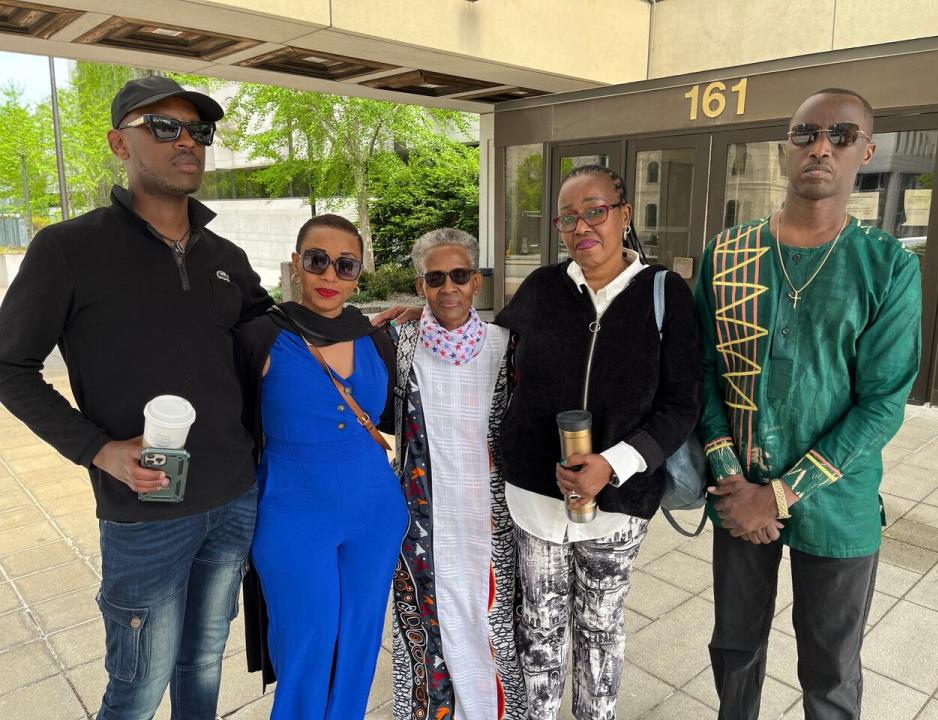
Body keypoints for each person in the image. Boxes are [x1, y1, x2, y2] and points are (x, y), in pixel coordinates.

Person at [378, 165, 703, 719]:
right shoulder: (542, 288)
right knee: (538, 632)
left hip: (617, 504)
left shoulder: (663, 293)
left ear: (624, 215)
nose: (582, 227)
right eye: (568, 217)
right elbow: (485, 341)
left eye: (595, 211)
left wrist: (615, 463)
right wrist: (424, 316)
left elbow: (681, 404)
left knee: (600, 632)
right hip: (533, 502)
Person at [0, 76, 271, 719]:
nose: (189, 143)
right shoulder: (68, 250)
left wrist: (360, 329)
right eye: (166, 127)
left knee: (203, 666)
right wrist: (98, 451)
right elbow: (9, 366)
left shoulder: (224, 255)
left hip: (233, 498)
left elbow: (275, 336)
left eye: (199, 131)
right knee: (138, 686)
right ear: (119, 143)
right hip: (145, 512)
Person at [696, 88, 922, 720]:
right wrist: (731, 477)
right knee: (735, 647)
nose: (822, 146)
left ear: (867, 152)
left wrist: (782, 492)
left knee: (829, 666)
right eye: (807, 133)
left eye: (842, 136)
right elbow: (702, 374)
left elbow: (882, 404)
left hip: (839, 500)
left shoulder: (887, 267)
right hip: (736, 491)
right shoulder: (728, 253)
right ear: (785, 149)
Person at [238, 215, 408, 719]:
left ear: (359, 273)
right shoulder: (261, 338)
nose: (329, 275)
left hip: (374, 512)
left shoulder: (375, 339)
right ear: (297, 265)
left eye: (345, 265)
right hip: (292, 513)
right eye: (317, 261)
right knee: (307, 643)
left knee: (359, 644)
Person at [391, 228, 525, 720]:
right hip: (421, 522)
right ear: (421, 284)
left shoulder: (507, 346)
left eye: (460, 275)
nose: (448, 287)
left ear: (477, 282)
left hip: (490, 521)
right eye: (435, 278)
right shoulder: (399, 345)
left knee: (492, 623)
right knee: (428, 627)